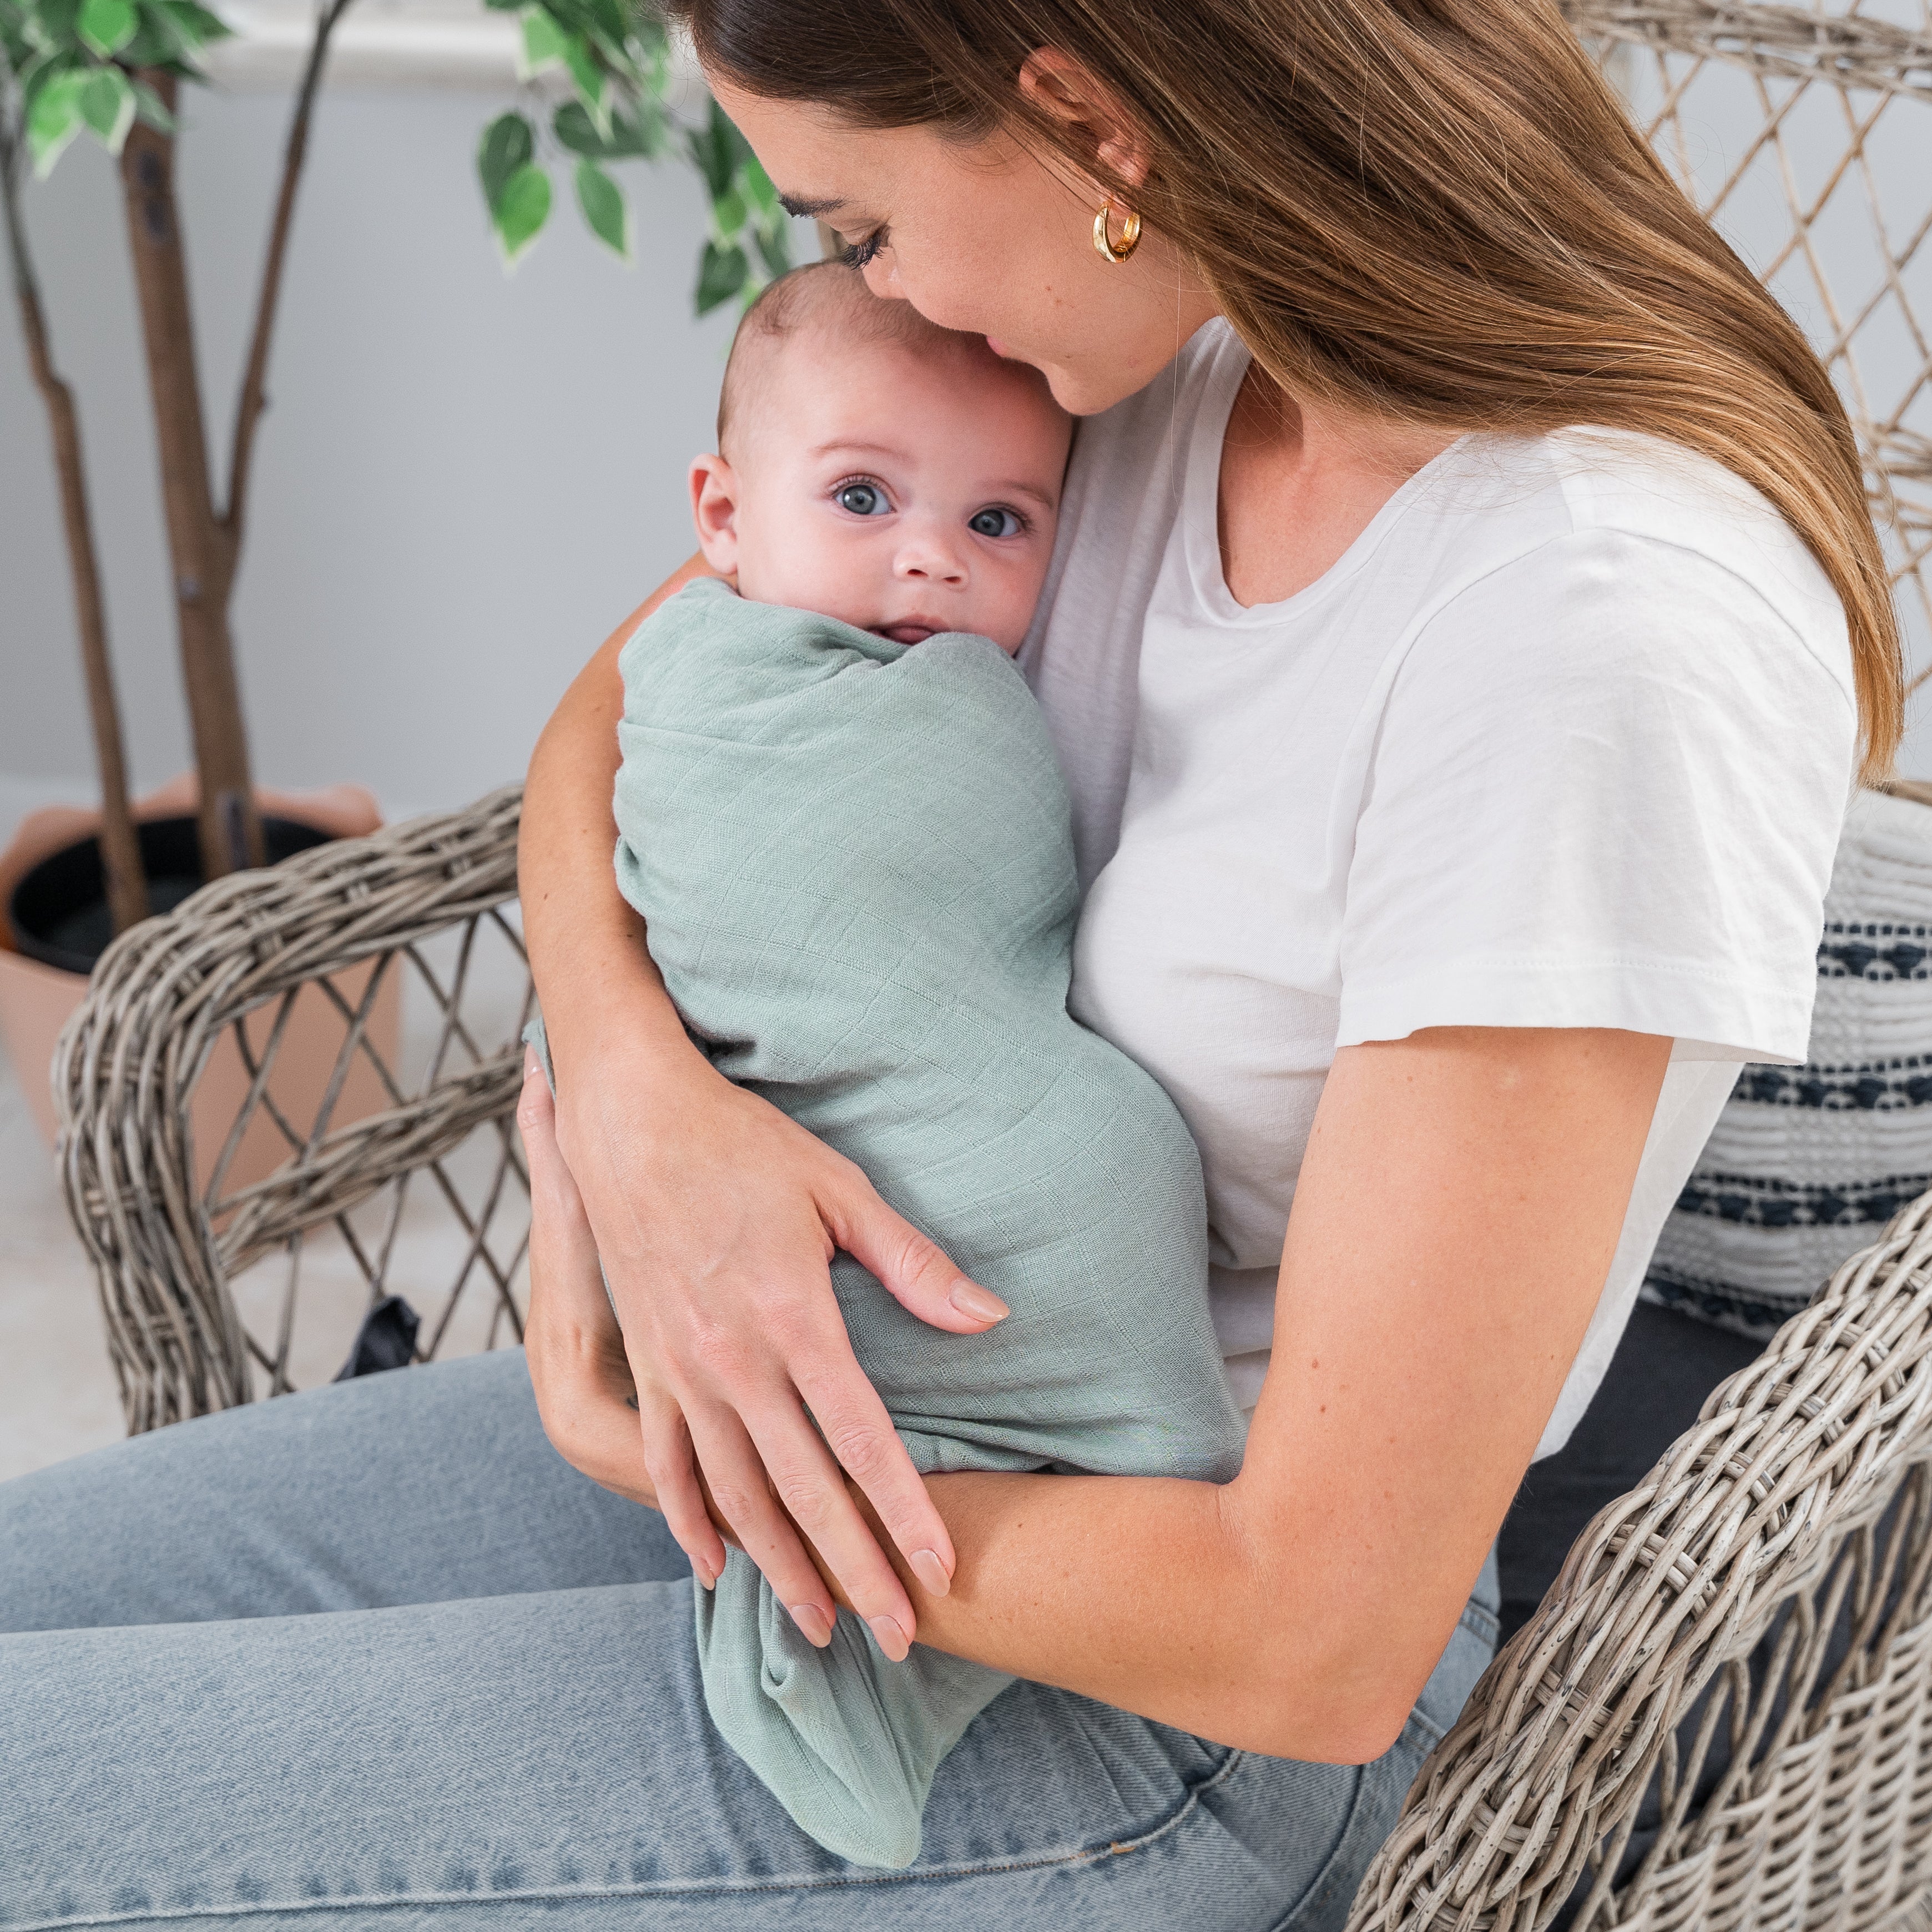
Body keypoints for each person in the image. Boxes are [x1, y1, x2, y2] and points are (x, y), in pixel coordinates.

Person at [0, 0, 1899, 1925]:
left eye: (853, 225)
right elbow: (630, 693)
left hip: (1151, 1699)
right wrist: (647, 1106)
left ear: (1084, 126)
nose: (865, 288)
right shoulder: (1162, 349)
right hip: (808, 1399)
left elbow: (1315, 1636)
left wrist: (654, 1450)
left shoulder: (1587, 629)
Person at [556, 260, 1244, 1868]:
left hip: (1168, 1629)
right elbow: (598, 750)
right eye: (863, 497)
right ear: (719, 518)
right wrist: (618, 1069)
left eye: (1000, 526)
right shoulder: (732, 652)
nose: (929, 552)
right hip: (710, 1258)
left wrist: (607, 1420)